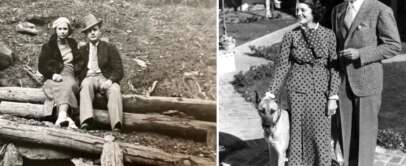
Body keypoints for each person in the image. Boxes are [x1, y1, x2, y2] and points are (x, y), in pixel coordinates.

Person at [261, 0, 340, 165]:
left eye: (303, 10)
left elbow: (334, 68)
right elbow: (282, 67)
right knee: (298, 134)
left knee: (320, 134)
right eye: (297, 10)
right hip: (296, 92)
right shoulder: (291, 36)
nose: (298, 13)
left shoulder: (328, 35)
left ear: (314, 11)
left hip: (321, 92)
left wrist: (333, 96)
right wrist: (271, 92)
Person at [331, 0, 401, 165]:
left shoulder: (380, 9)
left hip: (368, 82)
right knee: (345, 132)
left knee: (365, 135)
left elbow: (393, 45)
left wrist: (360, 54)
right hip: (342, 82)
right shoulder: (338, 10)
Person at [76, 14, 124, 131]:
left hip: (105, 77)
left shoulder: (109, 47)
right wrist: (85, 74)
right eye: (89, 31)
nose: (92, 33)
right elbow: (76, 70)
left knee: (115, 89)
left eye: (95, 30)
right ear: (86, 35)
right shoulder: (82, 50)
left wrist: (110, 81)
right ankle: (86, 120)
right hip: (90, 77)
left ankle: (116, 124)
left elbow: (119, 70)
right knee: (85, 85)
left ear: (100, 31)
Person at [38, 17, 80, 128]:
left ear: (69, 30)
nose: (62, 31)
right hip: (54, 74)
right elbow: (41, 66)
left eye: (65, 29)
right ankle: (65, 117)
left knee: (68, 85)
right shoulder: (48, 46)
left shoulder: (73, 43)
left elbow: (80, 61)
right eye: (60, 29)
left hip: (69, 72)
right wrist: (52, 74)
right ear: (55, 30)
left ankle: (61, 116)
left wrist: (79, 72)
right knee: (58, 85)